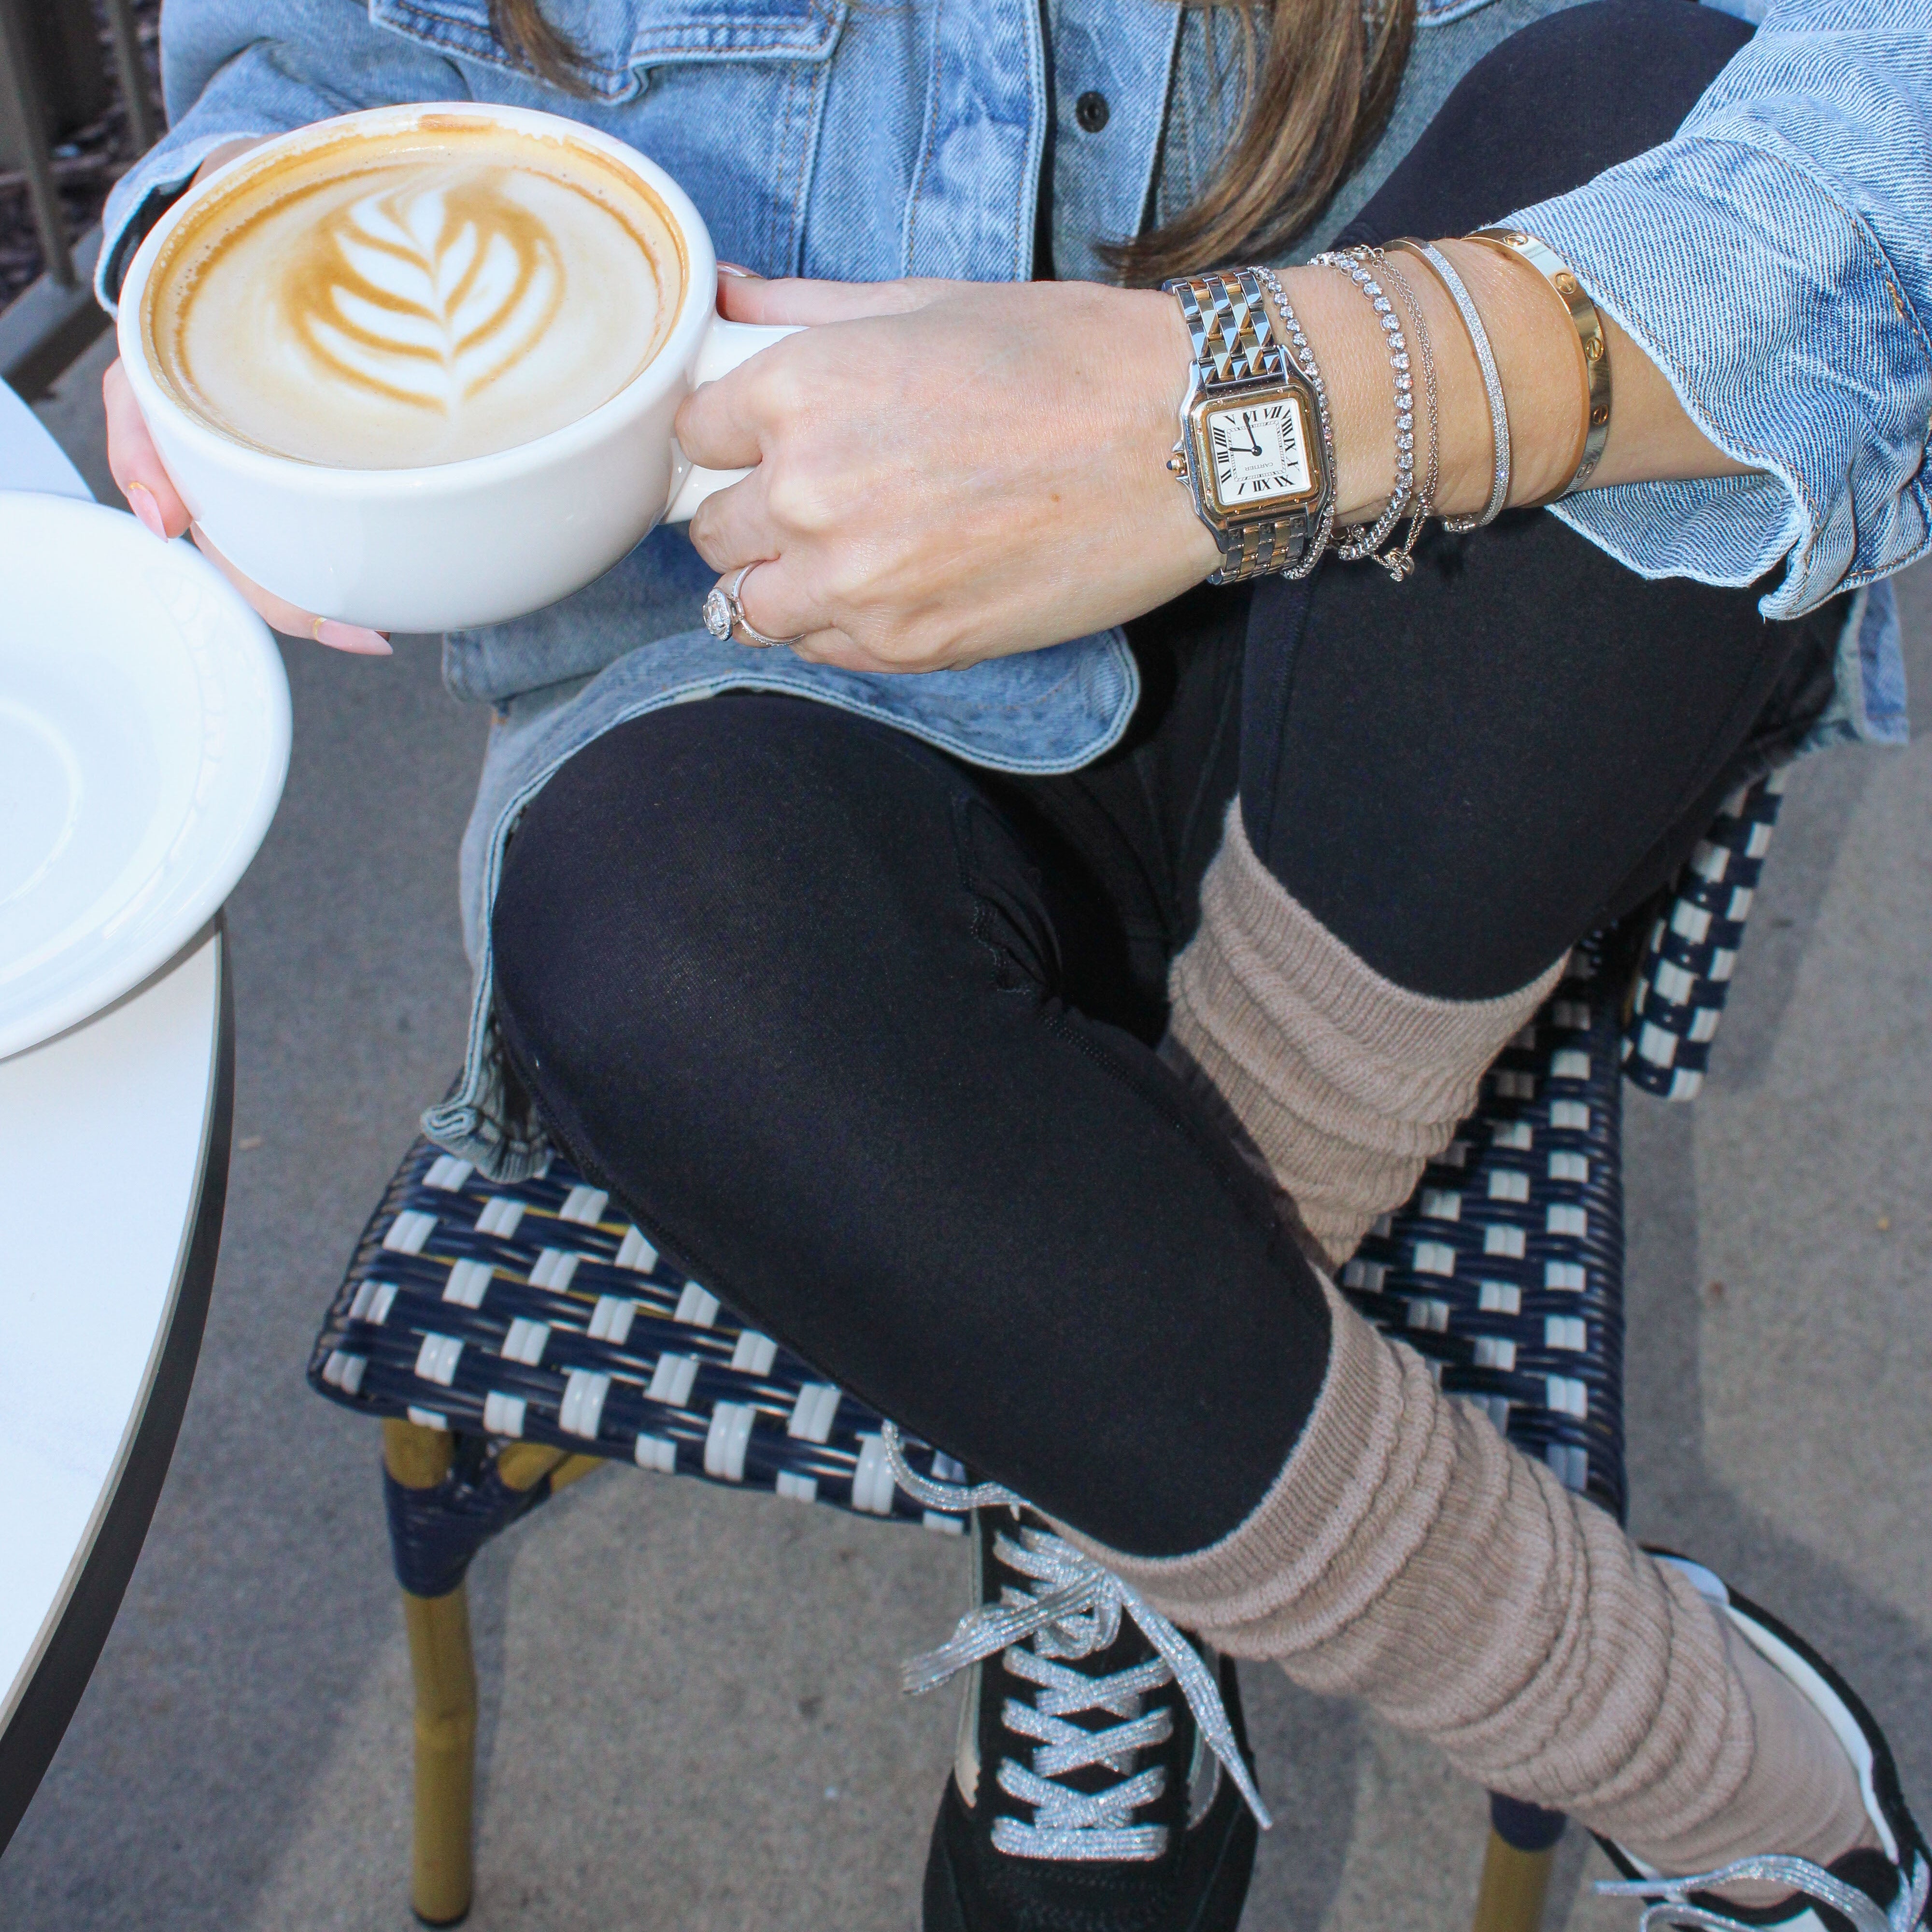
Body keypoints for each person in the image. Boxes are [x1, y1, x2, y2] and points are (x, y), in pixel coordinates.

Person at [99, 0, 1929, 1927]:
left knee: (1651, 104)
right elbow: (298, 89)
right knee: (648, 929)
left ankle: (1135, 1455)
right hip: (771, 662)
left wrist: (1223, 414)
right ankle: (1568, 1676)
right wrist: (189, 254)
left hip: (1384, 618)